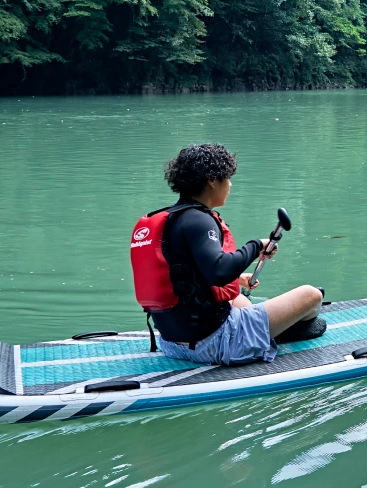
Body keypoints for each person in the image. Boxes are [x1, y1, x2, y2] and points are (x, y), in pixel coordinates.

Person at [130, 143, 325, 366]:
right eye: (227, 178)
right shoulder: (200, 219)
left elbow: (186, 274)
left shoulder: (170, 218)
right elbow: (219, 271)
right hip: (214, 344)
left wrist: (237, 279)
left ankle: (265, 329)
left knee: (239, 299)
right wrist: (256, 246)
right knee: (312, 296)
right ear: (212, 180)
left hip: (172, 344)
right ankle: (271, 335)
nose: (230, 185)